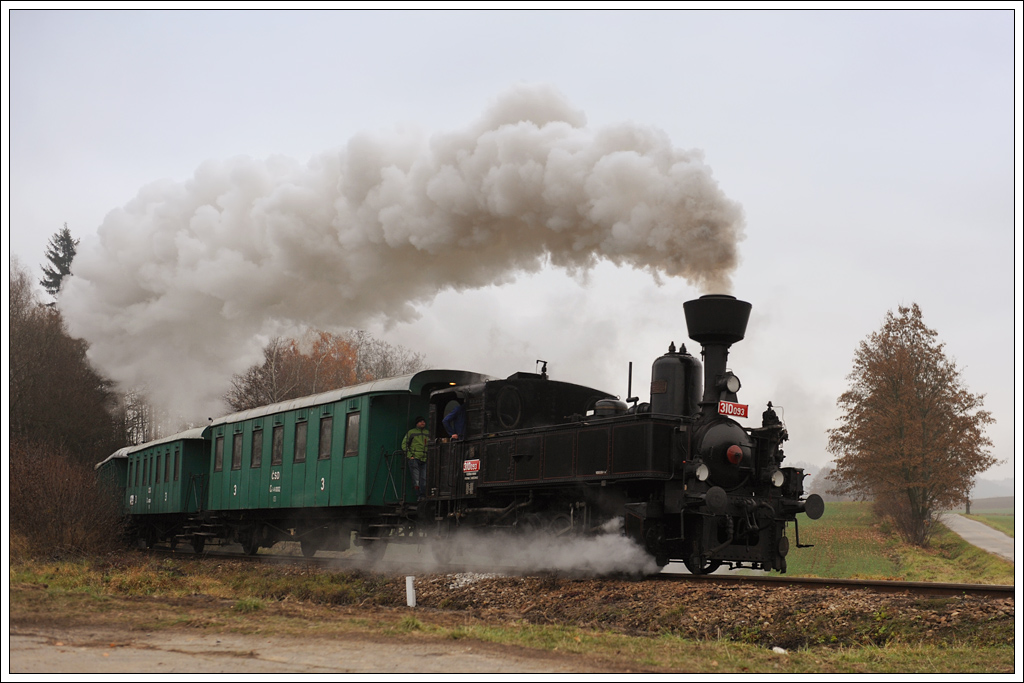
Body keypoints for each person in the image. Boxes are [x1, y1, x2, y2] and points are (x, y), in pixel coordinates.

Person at [401, 416, 428, 496]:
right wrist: (410, 456)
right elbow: (404, 444)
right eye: (420, 421)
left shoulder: (428, 433)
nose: (422, 423)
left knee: (424, 480)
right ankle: (419, 496)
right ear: (417, 423)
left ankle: (423, 496)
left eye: (423, 421)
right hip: (415, 459)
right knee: (417, 480)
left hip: (425, 459)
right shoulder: (411, 432)